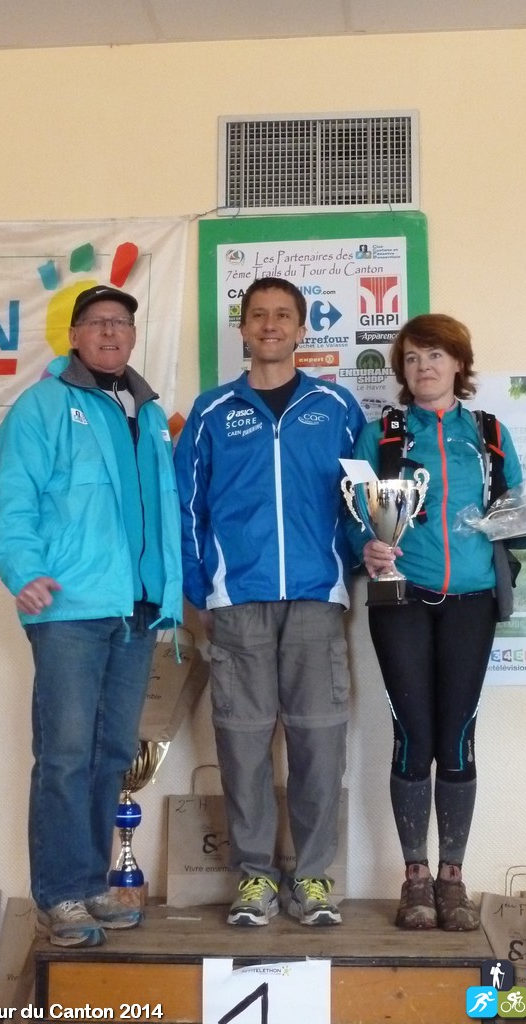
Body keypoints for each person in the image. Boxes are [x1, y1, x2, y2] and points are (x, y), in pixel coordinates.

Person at [0, 284, 182, 948]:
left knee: (111, 752)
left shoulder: (147, 412)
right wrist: (22, 570)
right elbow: (16, 496)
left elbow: (160, 507)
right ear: (73, 336)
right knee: (66, 754)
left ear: (133, 336)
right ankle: (60, 895)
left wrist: (169, 592)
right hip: (68, 604)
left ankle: (93, 879)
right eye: (97, 322)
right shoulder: (42, 405)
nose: (110, 332)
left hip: (136, 607)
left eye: (120, 323)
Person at [174, 276, 366, 928]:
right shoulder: (211, 412)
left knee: (319, 744)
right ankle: (254, 876)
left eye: (283, 315)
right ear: (244, 328)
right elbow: (185, 507)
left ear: (302, 328)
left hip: (315, 599)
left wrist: (357, 561)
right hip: (238, 601)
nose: (271, 325)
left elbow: (363, 499)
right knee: (242, 746)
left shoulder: (336, 408)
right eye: (259, 315)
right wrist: (201, 588)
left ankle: (312, 877)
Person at [351, 313, 526, 932]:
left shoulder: (488, 434)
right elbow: (353, 511)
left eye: (434, 355)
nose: (423, 367)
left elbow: (515, 515)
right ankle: (414, 879)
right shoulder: (382, 434)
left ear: (459, 363)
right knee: (413, 736)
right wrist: (365, 546)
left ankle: (452, 879)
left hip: (472, 600)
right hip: (400, 598)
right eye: (411, 358)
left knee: (457, 737)